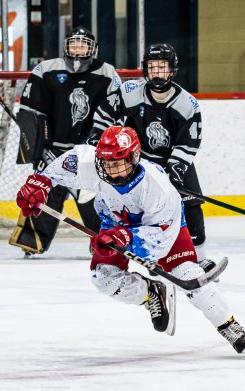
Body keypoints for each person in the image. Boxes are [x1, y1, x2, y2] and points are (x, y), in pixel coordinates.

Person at [15, 125, 245, 356]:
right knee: (105, 279)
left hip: (163, 230)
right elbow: (68, 162)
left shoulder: (157, 188)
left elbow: (162, 237)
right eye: (107, 163)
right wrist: (41, 182)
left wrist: (128, 238)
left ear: (133, 158)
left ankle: (228, 326)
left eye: (118, 163)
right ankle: (151, 292)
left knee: (188, 276)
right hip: (114, 223)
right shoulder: (93, 164)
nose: (112, 170)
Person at [88, 43, 215, 273]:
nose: (157, 73)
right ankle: (143, 247)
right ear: (145, 69)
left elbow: (189, 141)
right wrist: (98, 134)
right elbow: (107, 111)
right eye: (152, 67)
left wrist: (176, 167)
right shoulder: (130, 92)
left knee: (191, 203)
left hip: (174, 160)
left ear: (172, 70)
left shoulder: (187, 103)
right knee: (138, 205)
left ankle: (199, 257)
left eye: (162, 68)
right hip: (139, 162)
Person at [10, 26, 122, 256]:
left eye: (83, 44)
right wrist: (37, 152)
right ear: (66, 46)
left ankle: (104, 242)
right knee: (41, 192)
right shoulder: (46, 70)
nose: (78, 49)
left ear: (93, 48)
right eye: (74, 44)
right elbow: (31, 113)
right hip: (53, 149)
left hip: (89, 151)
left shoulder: (107, 73)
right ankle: (30, 242)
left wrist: (98, 148)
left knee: (93, 196)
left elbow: (114, 115)